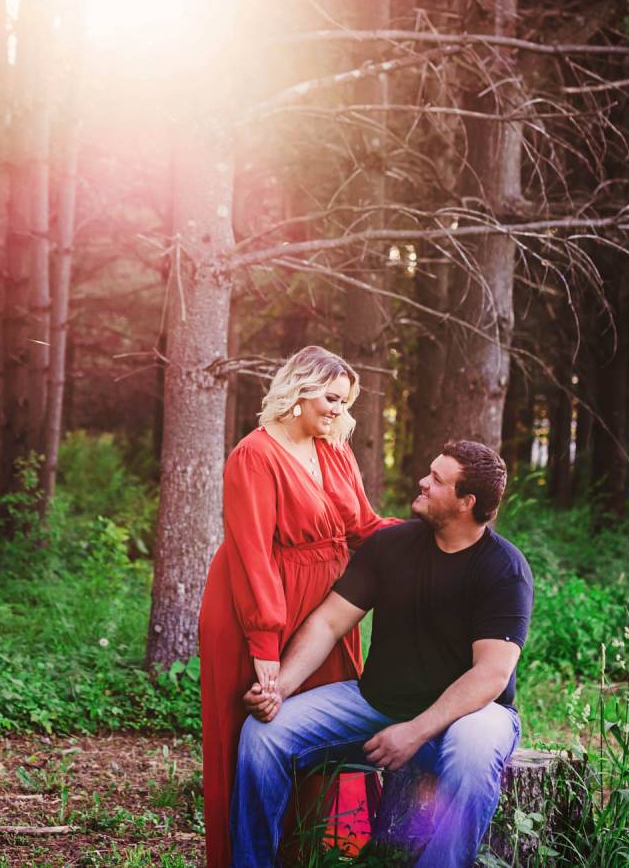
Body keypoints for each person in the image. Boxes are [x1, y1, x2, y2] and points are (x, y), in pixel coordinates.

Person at [231, 440, 532, 868]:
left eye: (437, 480)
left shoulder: (504, 570)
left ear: (467, 502)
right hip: (375, 704)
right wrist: (279, 688)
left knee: (473, 753)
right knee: (263, 734)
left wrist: (415, 731)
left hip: (468, 717)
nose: (423, 482)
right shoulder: (390, 547)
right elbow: (328, 623)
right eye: (430, 472)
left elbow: (490, 676)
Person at [197, 346, 400, 868]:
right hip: (258, 606)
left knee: (318, 734)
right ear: (299, 389)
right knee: (259, 729)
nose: (338, 410)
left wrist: (431, 533)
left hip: (326, 612)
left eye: (344, 401)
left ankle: (312, 854)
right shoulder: (255, 455)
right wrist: (264, 646)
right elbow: (252, 556)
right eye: (331, 398)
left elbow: (362, 528)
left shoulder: (333, 449)